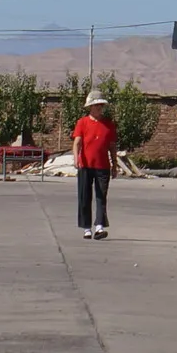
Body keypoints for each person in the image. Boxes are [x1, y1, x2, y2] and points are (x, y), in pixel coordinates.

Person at [73, 90, 116, 240]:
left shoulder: (109, 125)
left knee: (101, 196)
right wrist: (76, 158)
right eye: (96, 105)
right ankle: (86, 228)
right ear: (90, 107)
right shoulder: (82, 122)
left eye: (101, 105)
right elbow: (77, 142)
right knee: (84, 196)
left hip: (102, 166)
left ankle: (99, 226)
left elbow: (112, 146)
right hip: (85, 165)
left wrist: (114, 164)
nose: (99, 108)